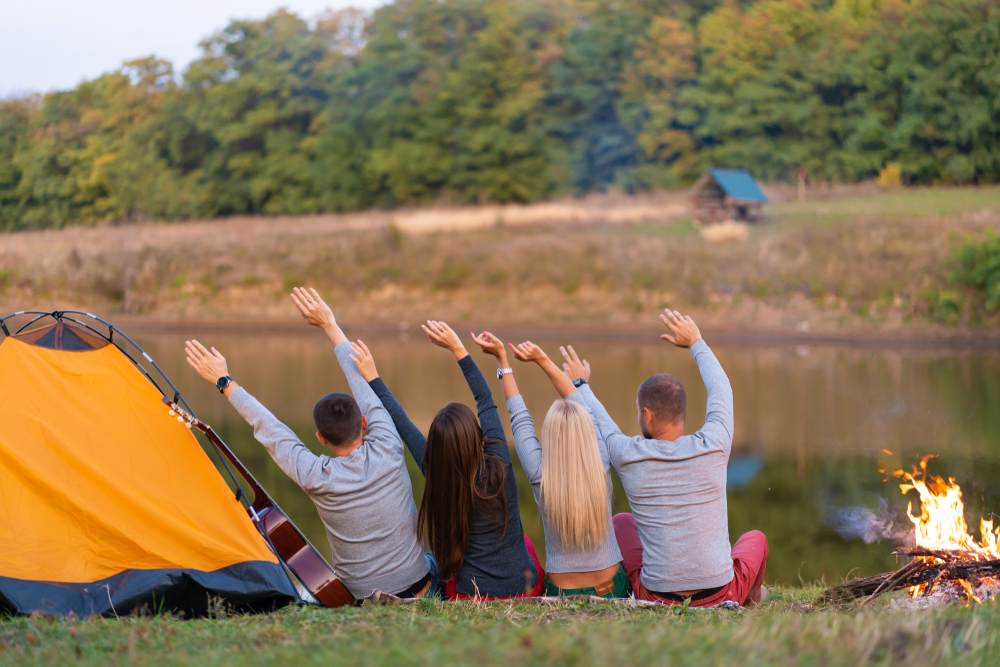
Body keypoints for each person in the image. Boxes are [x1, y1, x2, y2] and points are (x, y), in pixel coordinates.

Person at [183, 287, 435, 601]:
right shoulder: (388, 445)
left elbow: (272, 431)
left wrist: (225, 381)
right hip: (418, 584)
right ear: (365, 424)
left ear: (320, 438)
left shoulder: (315, 475)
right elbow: (364, 385)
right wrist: (329, 325)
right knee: (434, 562)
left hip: (360, 594)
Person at [558, 309, 768, 607]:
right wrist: (697, 342)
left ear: (647, 414)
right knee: (756, 538)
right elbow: (722, 390)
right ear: (681, 412)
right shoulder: (714, 444)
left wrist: (581, 384)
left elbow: (596, 417)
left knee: (621, 522)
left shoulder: (627, 454)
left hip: (655, 595)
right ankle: (749, 598)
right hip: (721, 592)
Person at [349, 322, 542, 599]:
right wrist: (458, 349)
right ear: (477, 435)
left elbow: (402, 423)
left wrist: (373, 377)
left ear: (437, 449)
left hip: (468, 595)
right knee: (524, 545)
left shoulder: (436, 473)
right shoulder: (500, 464)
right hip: (523, 589)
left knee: (437, 563)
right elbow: (485, 400)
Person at [470, 331, 630, 598]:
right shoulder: (601, 458)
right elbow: (581, 405)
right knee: (624, 523)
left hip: (561, 591)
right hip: (611, 587)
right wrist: (542, 359)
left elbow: (519, 417)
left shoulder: (539, 473)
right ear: (587, 432)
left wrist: (503, 362)